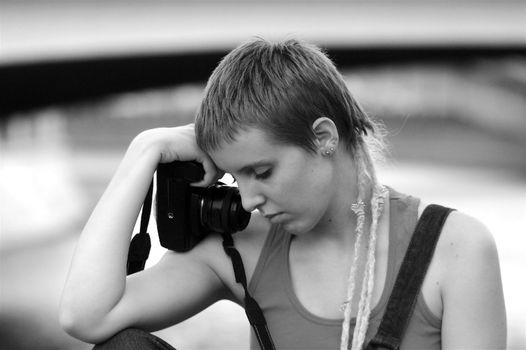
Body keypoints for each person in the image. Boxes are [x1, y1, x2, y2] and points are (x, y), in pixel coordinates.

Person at [60, 38, 507, 350]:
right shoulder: (243, 250)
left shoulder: (456, 249)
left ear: (324, 137)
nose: (249, 199)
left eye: (262, 171)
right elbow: (87, 317)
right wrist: (145, 151)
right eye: (237, 177)